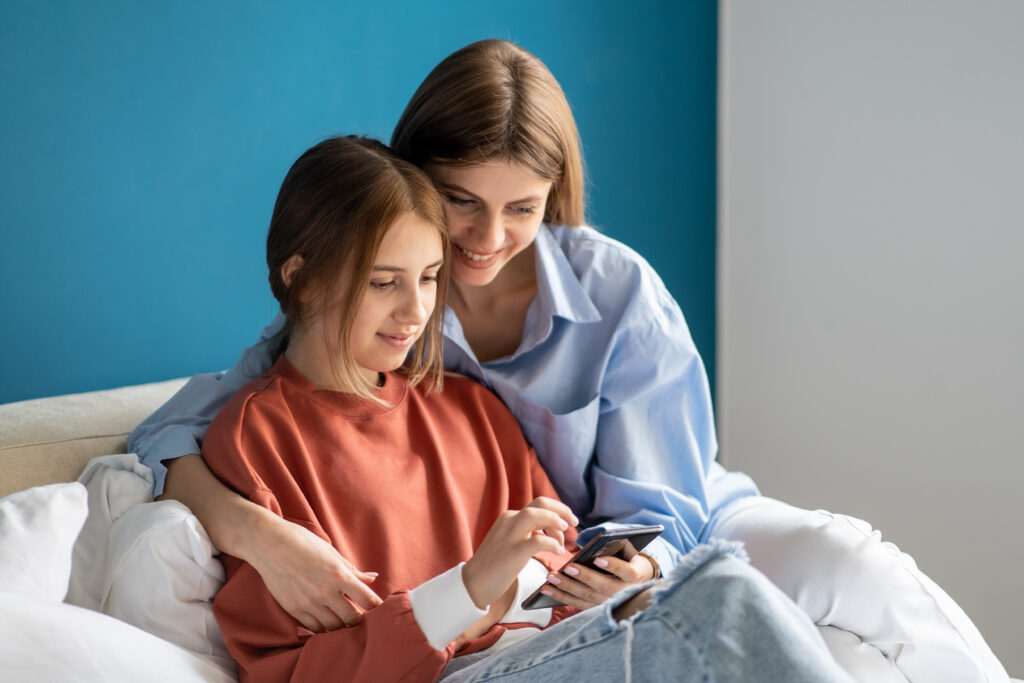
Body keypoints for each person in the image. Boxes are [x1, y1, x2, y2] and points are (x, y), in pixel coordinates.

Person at [130, 40, 1008, 682]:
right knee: (723, 604)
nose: (487, 241)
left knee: (844, 564)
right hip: (496, 627)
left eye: (521, 210)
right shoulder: (305, 382)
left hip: (665, 533)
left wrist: (611, 573)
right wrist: (249, 524)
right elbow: (186, 424)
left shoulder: (579, 314)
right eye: (459, 205)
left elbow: (658, 507)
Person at [201, 134, 850, 682]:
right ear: (301, 277)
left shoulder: (468, 407)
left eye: (429, 278)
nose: (415, 310)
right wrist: (471, 589)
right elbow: (290, 672)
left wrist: (584, 586)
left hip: (554, 649)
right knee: (719, 598)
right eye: (383, 281)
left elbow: (557, 563)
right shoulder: (258, 437)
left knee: (710, 586)